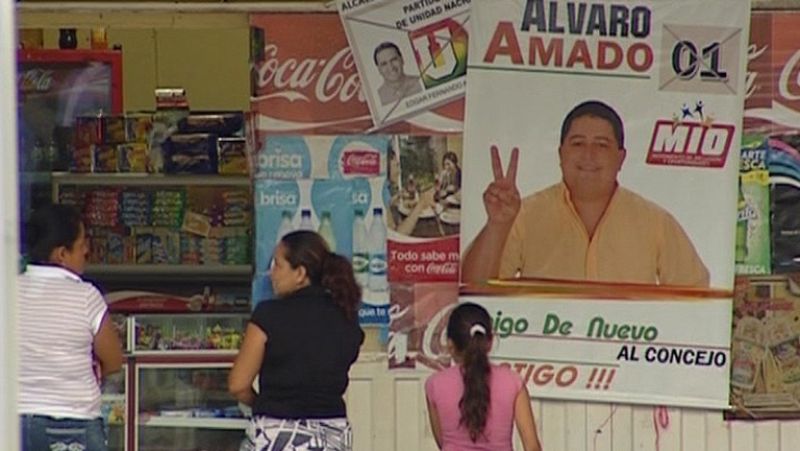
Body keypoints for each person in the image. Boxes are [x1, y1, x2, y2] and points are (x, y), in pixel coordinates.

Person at [461, 100, 710, 287]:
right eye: (578, 143)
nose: (588, 155)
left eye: (601, 145)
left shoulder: (656, 222)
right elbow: (473, 290)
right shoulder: (523, 216)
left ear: (621, 158)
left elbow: (695, 302)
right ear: (561, 154)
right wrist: (497, 225)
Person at [228, 230, 364, 450]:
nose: (271, 273)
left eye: (278, 265)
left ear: (300, 273)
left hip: (276, 433)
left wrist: (261, 403)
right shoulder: (346, 316)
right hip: (332, 435)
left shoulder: (268, 315)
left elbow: (238, 384)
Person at [18, 204, 124, 451]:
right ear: (61, 254)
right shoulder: (86, 296)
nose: (87, 250)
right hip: (72, 422)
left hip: (13, 421)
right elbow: (114, 361)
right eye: (81, 244)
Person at [425, 302, 542, 451]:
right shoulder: (513, 382)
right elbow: (532, 447)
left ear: (450, 345)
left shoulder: (435, 385)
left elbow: (442, 443)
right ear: (490, 342)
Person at [374, 41, 423, 106]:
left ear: (402, 60)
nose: (391, 67)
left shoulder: (421, 83)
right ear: (379, 69)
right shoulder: (377, 98)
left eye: (393, 60)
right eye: (384, 64)